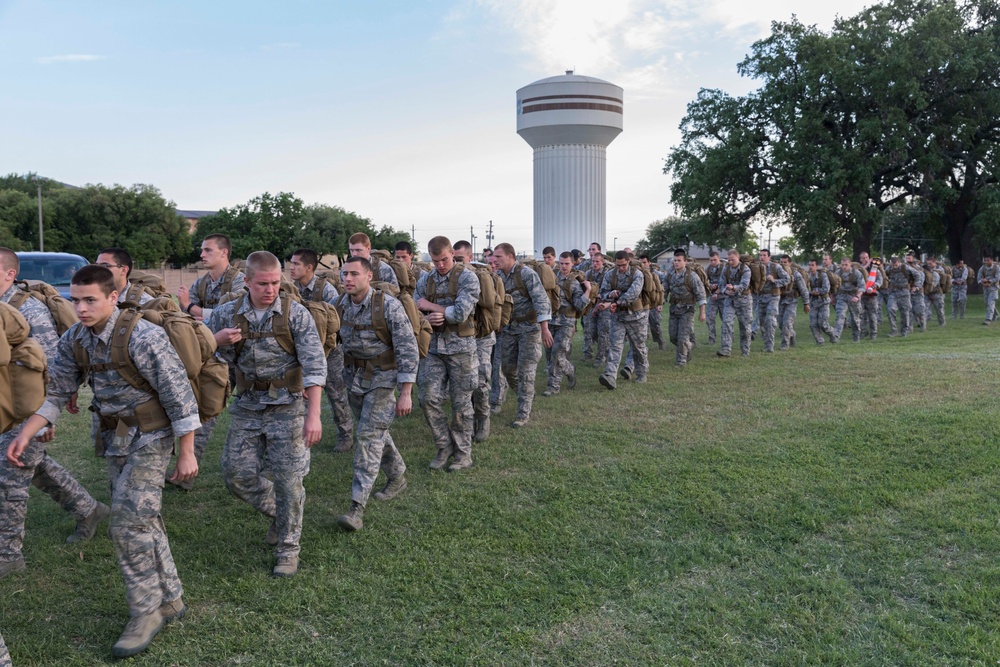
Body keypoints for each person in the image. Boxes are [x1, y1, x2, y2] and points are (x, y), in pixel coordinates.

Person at [7, 264, 200, 658]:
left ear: (113, 297)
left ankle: (145, 611)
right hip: (116, 438)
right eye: (75, 300)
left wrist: (187, 452)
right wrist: (28, 431)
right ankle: (171, 597)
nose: (80, 308)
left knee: (127, 521)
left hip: (153, 435)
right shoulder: (75, 339)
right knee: (144, 517)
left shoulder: (145, 336)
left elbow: (180, 398)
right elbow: (57, 392)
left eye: (90, 300)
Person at [206, 251, 326, 577]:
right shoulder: (226, 314)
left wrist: (313, 415)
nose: (270, 289)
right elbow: (193, 342)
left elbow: (315, 366)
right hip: (247, 405)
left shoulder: (295, 315)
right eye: (262, 283)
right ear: (247, 282)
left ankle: (288, 548)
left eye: (275, 283)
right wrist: (214, 340)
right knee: (236, 475)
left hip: (288, 406)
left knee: (289, 481)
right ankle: (283, 513)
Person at [0, 249, 108, 580]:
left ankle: (8, 555)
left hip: (28, 409)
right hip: (7, 406)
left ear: (7, 274)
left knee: (9, 475)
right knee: (35, 465)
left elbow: (50, 366)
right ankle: (89, 510)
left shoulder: (27, 308)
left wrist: (43, 419)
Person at [335, 257, 418, 531]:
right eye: (344, 273)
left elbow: (407, 348)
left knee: (368, 436)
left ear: (368, 276)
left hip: (384, 378)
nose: (348, 278)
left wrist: (406, 391)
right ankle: (397, 475)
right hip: (355, 379)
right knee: (376, 432)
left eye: (354, 274)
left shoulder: (388, 306)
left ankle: (356, 507)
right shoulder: (339, 306)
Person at [173, 233, 245, 486]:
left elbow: (237, 314)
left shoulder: (240, 281)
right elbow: (187, 322)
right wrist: (194, 313)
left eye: (207, 250)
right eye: (202, 250)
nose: (202, 255)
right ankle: (187, 475)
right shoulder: (202, 283)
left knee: (258, 414)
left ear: (224, 252)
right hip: (217, 355)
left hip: (247, 358)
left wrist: (192, 308)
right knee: (206, 410)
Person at [415, 236, 480, 471]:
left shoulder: (468, 277)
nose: (440, 265)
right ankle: (444, 446)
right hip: (434, 348)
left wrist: (431, 307)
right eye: (435, 261)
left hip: (462, 349)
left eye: (443, 259)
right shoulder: (425, 279)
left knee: (461, 404)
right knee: (426, 398)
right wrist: (426, 318)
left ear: (452, 253)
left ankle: (463, 453)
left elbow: (461, 313)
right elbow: (414, 311)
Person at [288, 248, 354, 453]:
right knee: (303, 395)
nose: (291, 267)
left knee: (336, 395)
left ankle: (346, 434)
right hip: (305, 354)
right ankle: (300, 438)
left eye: (296, 264)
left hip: (331, 352)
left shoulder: (326, 290)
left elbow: (336, 324)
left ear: (309, 267)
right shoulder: (292, 289)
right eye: (291, 263)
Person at [493, 243, 553, 427]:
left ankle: (522, 414)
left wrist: (544, 328)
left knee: (526, 371)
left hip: (529, 329)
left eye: (499, 257)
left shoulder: (526, 274)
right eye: (494, 257)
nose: (495, 260)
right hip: (509, 329)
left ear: (511, 256)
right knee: (508, 368)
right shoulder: (498, 277)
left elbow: (540, 300)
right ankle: (526, 393)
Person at [453, 241, 494, 442]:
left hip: (481, 336)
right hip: (461, 337)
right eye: (454, 259)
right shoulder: (450, 277)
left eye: (460, 259)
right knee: (464, 383)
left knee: (480, 380)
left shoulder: (477, 276)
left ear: (470, 257)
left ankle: (483, 418)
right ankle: (466, 423)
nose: (457, 263)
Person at [597, 250, 647, 388]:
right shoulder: (610, 275)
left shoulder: (637, 274)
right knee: (615, 346)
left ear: (628, 262)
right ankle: (610, 376)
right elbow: (602, 293)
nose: (620, 268)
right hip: (618, 317)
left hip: (636, 317)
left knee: (638, 347)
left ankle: (641, 372)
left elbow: (633, 293)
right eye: (618, 265)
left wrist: (617, 302)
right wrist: (610, 294)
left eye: (623, 265)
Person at [545, 252, 590, 395]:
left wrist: (587, 291)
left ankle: (553, 387)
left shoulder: (575, 282)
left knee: (557, 354)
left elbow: (579, 305)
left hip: (566, 323)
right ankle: (570, 370)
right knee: (549, 354)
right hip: (551, 321)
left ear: (573, 264)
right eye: (561, 263)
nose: (563, 266)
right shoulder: (552, 277)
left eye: (567, 264)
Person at [664, 250, 706, 367]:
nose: (676, 263)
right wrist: (659, 303)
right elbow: (664, 289)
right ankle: (689, 345)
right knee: (673, 337)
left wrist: (702, 313)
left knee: (682, 337)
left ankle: (681, 361)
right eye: (675, 260)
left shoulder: (692, 276)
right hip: (674, 309)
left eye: (679, 261)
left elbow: (701, 295)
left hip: (687, 310)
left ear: (685, 262)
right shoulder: (670, 274)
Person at [716, 249, 753, 357]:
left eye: (732, 260)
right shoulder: (726, 269)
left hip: (744, 301)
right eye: (729, 260)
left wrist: (733, 288)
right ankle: (726, 349)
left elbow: (744, 285)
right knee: (726, 323)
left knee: (745, 327)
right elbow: (721, 284)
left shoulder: (745, 269)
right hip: (729, 300)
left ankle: (745, 350)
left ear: (738, 258)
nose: (730, 262)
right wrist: (725, 291)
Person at [754, 249, 789, 353]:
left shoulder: (775, 267)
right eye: (760, 255)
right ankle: (766, 343)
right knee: (761, 322)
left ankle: (770, 346)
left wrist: (774, 280)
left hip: (773, 296)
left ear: (769, 257)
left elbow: (787, 279)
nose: (762, 257)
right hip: (761, 298)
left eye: (764, 255)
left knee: (770, 320)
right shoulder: (756, 268)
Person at [884, 255, 922, 337]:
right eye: (893, 265)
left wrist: (916, 286)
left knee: (905, 312)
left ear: (899, 262)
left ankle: (904, 330)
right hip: (893, 292)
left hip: (904, 292)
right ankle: (894, 330)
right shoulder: (889, 269)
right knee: (890, 309)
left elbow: (918, 275)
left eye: (896, 265)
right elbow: (885, 276)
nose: (895, 266)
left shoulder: (906, 268)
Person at [584, 251, 611, 366]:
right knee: (591, 331)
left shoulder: (607, 273)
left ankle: (601, 357)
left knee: (603, 332)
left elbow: (611, 289)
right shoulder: (588, 273)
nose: (595, 264)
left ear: (602, 262)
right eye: (593, 261)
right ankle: (606, 349)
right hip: (591, 305)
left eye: (597, 261)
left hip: (604, 306)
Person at [778, 254, 809, 349]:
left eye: (785, 262)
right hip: (780, 302)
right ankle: (792, 334)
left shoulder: (796, 274)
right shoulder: (777, 273)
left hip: (792, 302)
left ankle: (785, 345)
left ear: (790, 263)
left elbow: (803, 290)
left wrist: (806, 303)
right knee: (780, 323)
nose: (783, 264)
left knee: (787, 323)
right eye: (781, 262)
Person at [832, 257, 865, 343]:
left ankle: (856, 337)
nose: (844, 267)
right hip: (842, 296)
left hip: (853, 296)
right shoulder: (837, 273)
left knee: (855, 319)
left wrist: (857, 297)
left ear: (850, 264)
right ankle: (836, 336)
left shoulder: (856, 273)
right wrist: (832, 297)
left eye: (846, 265)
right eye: (842, 265)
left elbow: (862, 287)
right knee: (840, 315)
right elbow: (834, 286)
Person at [640, 255, 666, 350]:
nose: (643, 265)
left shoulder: (657, 274)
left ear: (649, 263)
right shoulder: (638, 274)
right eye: (641, 263)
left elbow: (663, 288)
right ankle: (642, 346)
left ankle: (660, 341)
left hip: (654, 304)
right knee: (642, 327)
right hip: (642, 304)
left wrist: (660, 302)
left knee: (655, 325)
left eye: (644, 262)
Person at [806, 259, 833, 344]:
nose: (810, 267)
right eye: (809, 265)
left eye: (812, 265)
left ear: (816, 266)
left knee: (823, 324)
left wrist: (816, 290)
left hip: (823, 302)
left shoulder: (823, 275)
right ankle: (820, 341)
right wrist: (811, 292)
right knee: (813, 324)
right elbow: (804, 289)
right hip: (813, 303)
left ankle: (833, 333)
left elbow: (826, 289)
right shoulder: (807, 277)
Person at [857, 252, 882, 340]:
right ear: (860, 259)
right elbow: (857, 273)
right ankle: (863, 332)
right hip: (862, 295)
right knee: (861, 315)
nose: (865, 259)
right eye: (863, 258)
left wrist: (874, 286)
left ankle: (873, 334)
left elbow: (879, 280)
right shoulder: (858, 268)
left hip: (872, 296)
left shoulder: (874, 269)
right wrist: (867, 264)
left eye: (867, 257)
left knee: (872, 316)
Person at [704, 251, 724, 345]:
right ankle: (712, 338)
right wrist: (710, 285)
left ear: (719, 258)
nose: (713, 262)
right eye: (711, 260)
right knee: (709, 318)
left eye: (715, 260)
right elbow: (705, 280)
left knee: (726, 319)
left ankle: (727, 337)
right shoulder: (708, 268)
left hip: (724, 297)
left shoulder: (725, 268)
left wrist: (718, 291)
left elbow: (726, 281)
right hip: (713, 298)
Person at [905, 253, 928, 332]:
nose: (908, 260)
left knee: (919, 310)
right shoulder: (904, 268)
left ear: (913, 259)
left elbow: (921, 279)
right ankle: (910, 327)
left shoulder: (918, 268)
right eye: (906, 258)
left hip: (918, 292)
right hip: (907, 292)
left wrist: (916, 287)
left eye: (909, 258)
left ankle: (922, 324)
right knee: (909, 310)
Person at [978, 255, 1000, 324]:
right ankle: (995, 314)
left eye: (988, 260)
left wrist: (989, 281)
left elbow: (997, 278)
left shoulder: (996, 268)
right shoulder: (983, 268)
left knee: (991, 302)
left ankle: (988, 319)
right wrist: (982, 282)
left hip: (993, 288)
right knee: (987, 302)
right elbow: (978, 278)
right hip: (985, 288)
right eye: (985, 260)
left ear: (992, 260)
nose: (986, 262)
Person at [925, 256, 946, 326]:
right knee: (924, 308)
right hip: (927, 293)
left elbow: (934, 283)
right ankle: (923, 323)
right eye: (928, 264)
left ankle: (942, 323)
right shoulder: (926, 270)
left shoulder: (939, 270)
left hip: (937, 293)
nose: (929, 265)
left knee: (939, 309)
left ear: (934, 263)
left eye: (930, 263)